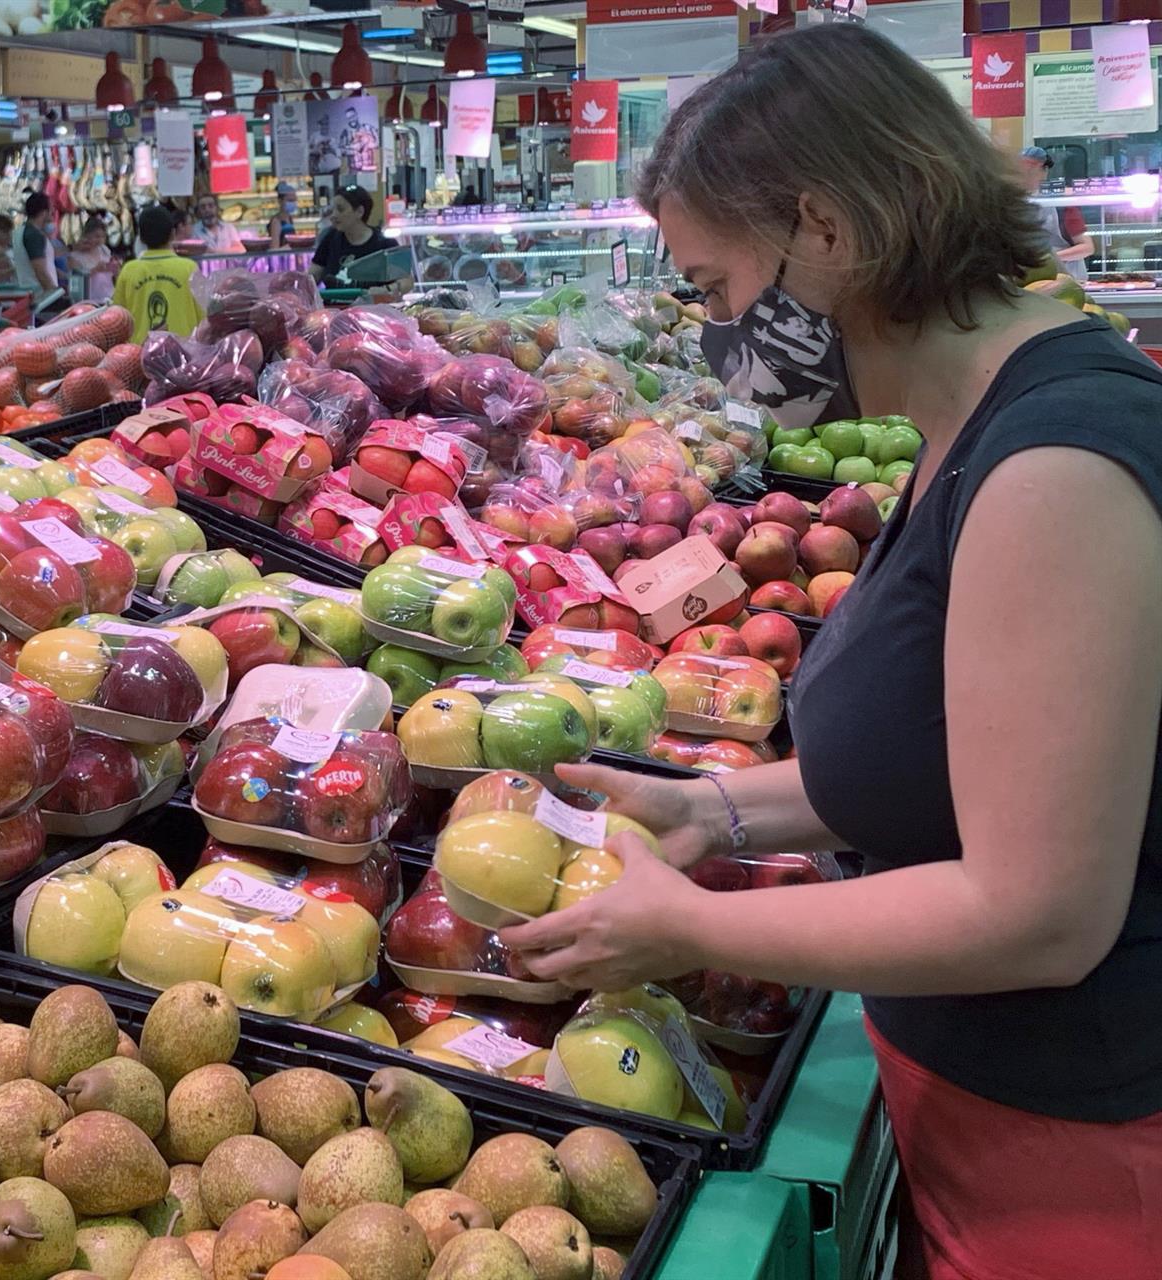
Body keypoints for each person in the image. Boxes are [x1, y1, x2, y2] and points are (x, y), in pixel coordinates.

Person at [497, 25, 1162, 1279]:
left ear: (824, 228)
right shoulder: (972, 425)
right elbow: (962, 754)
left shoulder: (1057, 464)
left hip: (1093, 1162)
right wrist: (716, 811)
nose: (714, 336)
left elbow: (1040, 912)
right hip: (1000, 1120)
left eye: (712, 288)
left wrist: (694, 924)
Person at [112, 203, 199, 343]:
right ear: (173, 234)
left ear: (140, 238)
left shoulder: (129, 270)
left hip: (137, 356)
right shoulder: (189, 268)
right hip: (184, 355)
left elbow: (117, 320)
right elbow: (204, 318)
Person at [1019, 146, 1094, 279]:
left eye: (1032, 169)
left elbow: (1087, 247)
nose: (1026, 174)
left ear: (1044, 171)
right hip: (1030, 280)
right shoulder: (1014, 203)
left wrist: (1050, 260)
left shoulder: (1062, 204)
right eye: (1022, 169)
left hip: (1068, 280)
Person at [309, 185, 395, 283]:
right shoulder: (330, 239)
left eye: (340, 209)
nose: (333, 215)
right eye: (332, 210)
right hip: (334, 298)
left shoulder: (385, 243)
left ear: (359, 211)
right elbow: (313, 276)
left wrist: (385, 290)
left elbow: (405, 281)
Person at [14, 192, 58, 293]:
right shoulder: (34, 236)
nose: (53, 211)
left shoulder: (20, 232)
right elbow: (40, 271)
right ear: (43, 212)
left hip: (29, 293)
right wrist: (54, 294)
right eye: (51, 208)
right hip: (39, 296)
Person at [67, 215, 117, 302]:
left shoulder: (104, 250)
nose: (100, 240)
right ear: (87, 235)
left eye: (103, 237)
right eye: (97, 236)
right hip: (89, 301)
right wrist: (95, 270)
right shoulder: (74, 257)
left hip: (109, 297)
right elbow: (75, 284)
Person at [266, 182, 300, 250]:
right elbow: (274, 249)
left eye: (294, 200)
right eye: (290, 200)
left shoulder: (289, 219)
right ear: (280, 201)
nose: (293, 203)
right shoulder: (276, 221)